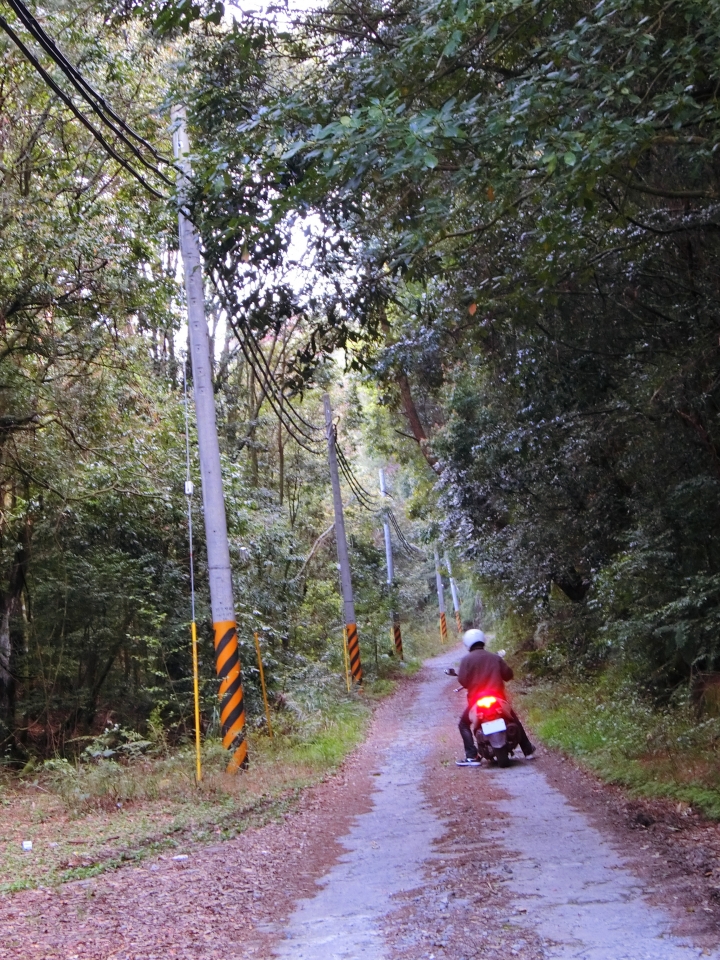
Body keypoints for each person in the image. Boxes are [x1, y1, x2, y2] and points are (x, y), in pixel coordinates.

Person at [448, 624, 535, 766]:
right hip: (498, 699)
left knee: (463, 724)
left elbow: (463, 680)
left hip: (476, 701)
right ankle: (527, 750)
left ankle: (472, 756)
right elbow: (508, 675)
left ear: (467, 643)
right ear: (483, 640)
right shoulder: (495, 658)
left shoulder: (466, 660)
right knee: (514, 719)